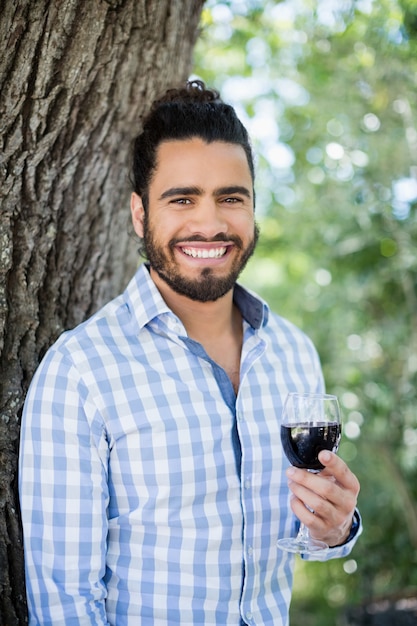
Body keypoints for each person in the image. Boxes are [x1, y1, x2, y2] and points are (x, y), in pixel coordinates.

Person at [19, 80, 361, 626]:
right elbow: (64, 605)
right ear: (139, 214)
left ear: (252, 211)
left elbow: (306, 534)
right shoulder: (80, 371)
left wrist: (335, 528)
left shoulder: (294, 353)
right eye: (182, 199)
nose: (210, 223)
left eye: (231, 198)